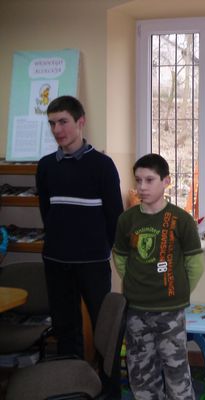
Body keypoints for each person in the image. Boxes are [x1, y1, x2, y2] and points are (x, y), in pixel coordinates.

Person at [36, 95, 124, 359]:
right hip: (56, 261)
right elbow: (47, 212)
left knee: (103, 328)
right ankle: (70, 378)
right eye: (52, 123)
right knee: (65, 329)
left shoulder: (102, 165)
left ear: (81, 122)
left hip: (92, 262)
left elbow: (115, 217)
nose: (57, 130)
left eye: (63, 122)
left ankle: (108, 383)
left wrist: (99, 248)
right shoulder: (46, 166)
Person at [113, 153, 204, 400]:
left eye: (149, 180)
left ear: (166, 181)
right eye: (138, 180)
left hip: (171, 311)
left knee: (177, 375)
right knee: (141, 376)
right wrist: (137, 283)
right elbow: (120, 259)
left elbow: (195, 265)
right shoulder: (127, 219)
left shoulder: (182, 220)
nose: (142, 187)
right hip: (136, 311)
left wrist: (177, 291)